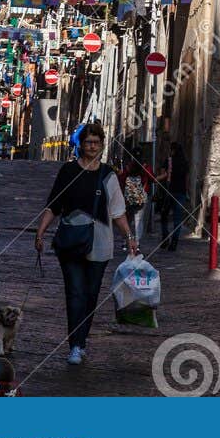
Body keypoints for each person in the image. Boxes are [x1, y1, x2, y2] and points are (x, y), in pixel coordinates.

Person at [34, 121, 138, 364]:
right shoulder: (68, 171)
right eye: (88, 142)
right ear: (80, 145)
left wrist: (130, 237)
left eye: (96, 142)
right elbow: (54, 206)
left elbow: (118, 212)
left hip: (100, 243)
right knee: (75, 293)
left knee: (90, 295)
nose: (92, 146)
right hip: (70, 241)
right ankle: (75, 345)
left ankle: (81, 341)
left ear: (102, 146)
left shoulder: (108, 175)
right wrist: (40, 232)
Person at [157, 141, 189, 252]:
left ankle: (165, 238)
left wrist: (156, 179)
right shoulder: (185, 162)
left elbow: (164, 174)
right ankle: (174, 242)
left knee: (164, 216)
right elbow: (186, 179)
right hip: (181, 192)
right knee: (177, 219)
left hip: (169, 192)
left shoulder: (169, 161)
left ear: (173, 150)